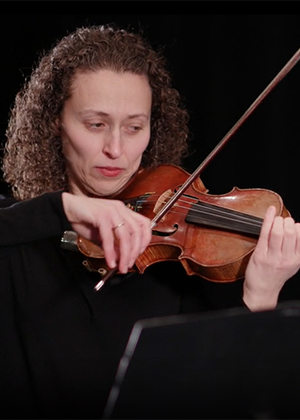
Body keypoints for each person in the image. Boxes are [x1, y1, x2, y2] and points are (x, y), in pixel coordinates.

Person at [1, 23, 300, 418]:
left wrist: (260, 297)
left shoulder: (169, 260)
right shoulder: (15, 239)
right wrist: (67, 209)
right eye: (96, 124)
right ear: (55, 123)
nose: (116, 149)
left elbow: (221, 404)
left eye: (134, 127)